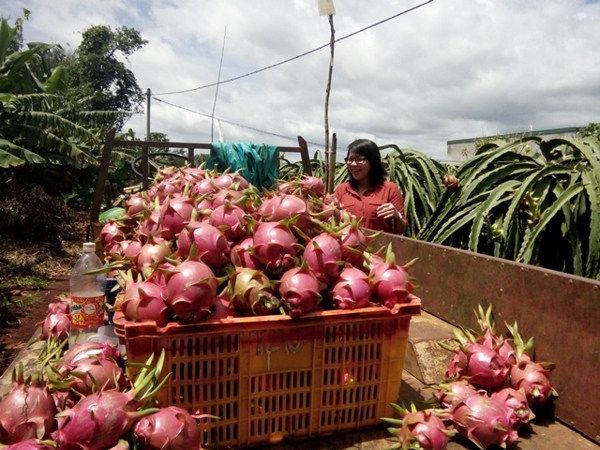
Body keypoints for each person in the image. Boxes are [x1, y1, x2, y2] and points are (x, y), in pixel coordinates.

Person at [334, 139, 407, 235]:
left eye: (359, 159)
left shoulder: (390, 189)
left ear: (372, 161)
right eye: (350, 159)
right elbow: (332, 223)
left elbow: (401, 231)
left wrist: (397, 217)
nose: (353, 164)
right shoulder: (342, 189)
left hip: (379, 248)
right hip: (348, 248)